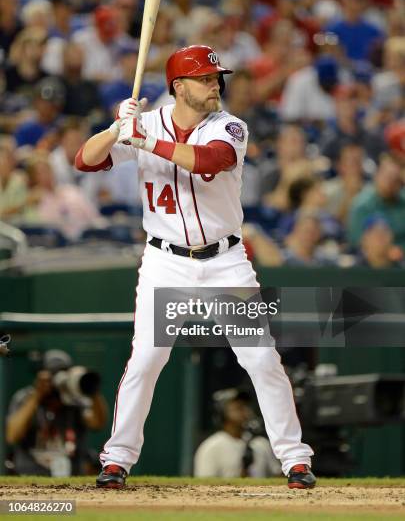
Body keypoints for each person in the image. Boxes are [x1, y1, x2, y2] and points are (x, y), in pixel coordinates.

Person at [75, 44, 315, 490]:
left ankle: (295, 459)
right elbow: (84, 160)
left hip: (226, 262)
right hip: (165, 263)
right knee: (146, 360)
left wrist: (142, 138)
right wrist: (114, 129)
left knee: (261, 360)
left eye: (216, 78)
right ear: (178, 87)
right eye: (205, 79)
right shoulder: (145, 124)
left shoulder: (230, 126)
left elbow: (210, 160)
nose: (215, 85)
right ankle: (116, 460)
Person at [6, 349, 107, 476]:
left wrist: (90, 388)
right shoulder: (25, 397)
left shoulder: (75, 399)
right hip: (30, 473)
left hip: (72, 474)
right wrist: (37, 395)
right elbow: (12, 435)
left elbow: (98, 423)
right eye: (53, 374)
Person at [194, 389, 281, 477]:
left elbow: (277, 477)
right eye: (238, 408)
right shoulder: (211, 446)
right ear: (221, 413)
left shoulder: (261, 444)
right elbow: (204, 485)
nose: (245, 412)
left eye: (246, 406)